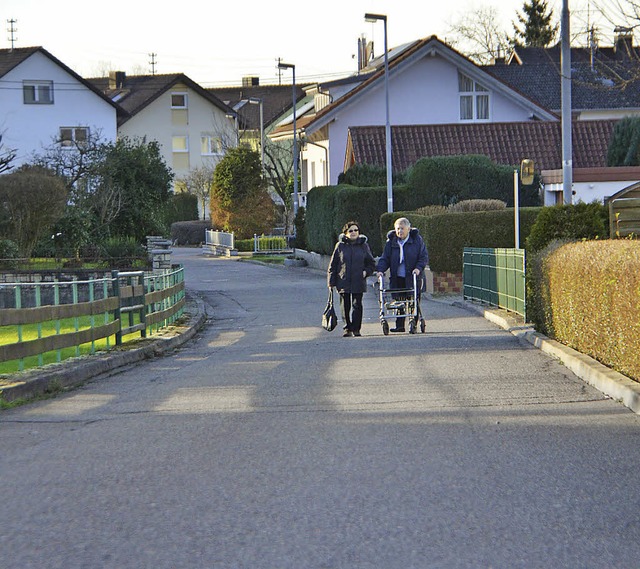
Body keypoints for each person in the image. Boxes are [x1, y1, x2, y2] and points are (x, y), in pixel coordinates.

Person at [376, 217, 429, 332]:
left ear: (409, 229)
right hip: (397, 276)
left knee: (413, 300)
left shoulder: (417, 240)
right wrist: (380, 270)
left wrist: (418, 268)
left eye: (402, 228)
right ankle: (400, 325)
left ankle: (413, 324)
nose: (400, 231)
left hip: (412, 275)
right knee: (399, 300)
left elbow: (423, 257)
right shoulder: (391, 242)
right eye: (397, 229)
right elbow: (385, 258)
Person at [327, 220, 376, 337]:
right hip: (343, 280)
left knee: (357, 304)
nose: (353, 232)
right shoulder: (340, 246)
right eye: (351, 231)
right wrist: (331, 282)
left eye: (356, 230)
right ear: (345, 233)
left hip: (358, 280)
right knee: (345, 305)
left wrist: (366, 272)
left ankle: (356, 328)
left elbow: (371, 263)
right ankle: (347, 328)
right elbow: (333, 265)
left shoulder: (363, 245)